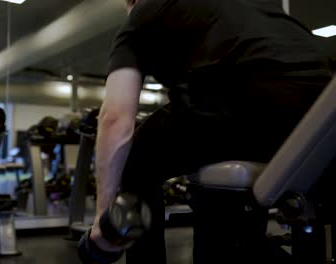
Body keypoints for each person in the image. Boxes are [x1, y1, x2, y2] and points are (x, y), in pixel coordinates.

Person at [89, 0, 333, 263]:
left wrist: (105, 216)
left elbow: (115, 120)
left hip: (246, 97)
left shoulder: (142, 12)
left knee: (136, 154)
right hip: (322, 111)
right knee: (223, 216)